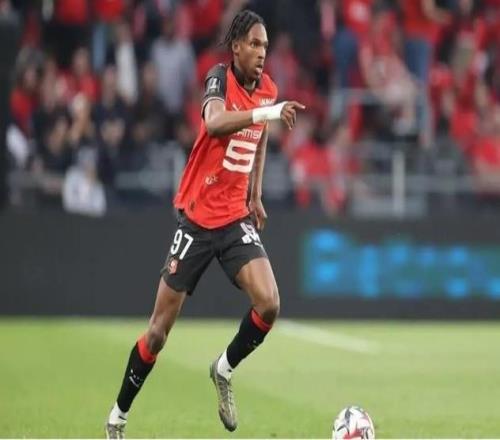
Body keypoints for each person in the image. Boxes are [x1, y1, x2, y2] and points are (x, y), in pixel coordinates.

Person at [105, 9, 305, 439]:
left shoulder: (267, 89)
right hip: (196, 219)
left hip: (233, 218)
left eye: (266, 46)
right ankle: (117, 417)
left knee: (269, 303)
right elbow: (214, 124)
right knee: (157, 333)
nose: (261, 53)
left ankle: (223, 368)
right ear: (236, 46)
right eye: (254, 44)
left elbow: (260, 139)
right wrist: (265, 113)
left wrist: (255, 192)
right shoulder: (218, 79)